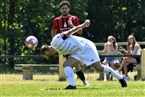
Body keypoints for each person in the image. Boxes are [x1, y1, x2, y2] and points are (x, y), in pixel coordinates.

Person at [40, 20, 127, 89]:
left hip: (86, 47)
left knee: (99, 67)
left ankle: (121, 78)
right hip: (79, 52)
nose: (47, 57)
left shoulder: (55, 41)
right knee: (66, 64)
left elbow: (70, 31)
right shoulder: (60, 52)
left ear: (46, 51)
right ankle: (72, 85)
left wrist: (83, 25)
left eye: (46, 55)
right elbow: (73, 60)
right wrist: (81, 64)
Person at [51, 0, 89, 86]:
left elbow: (80, 32)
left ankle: (78, 82)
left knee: (75, 65)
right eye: (62, 8)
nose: (64, 10)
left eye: (66, 8)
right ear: (60, 10)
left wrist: (72, 25)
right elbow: (53, 31)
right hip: (65, 46)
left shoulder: (74, 18)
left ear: (69, 9)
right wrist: (54, 43)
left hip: (75, 45)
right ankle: (82, 82)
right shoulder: (56, 20)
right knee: (75, 65)